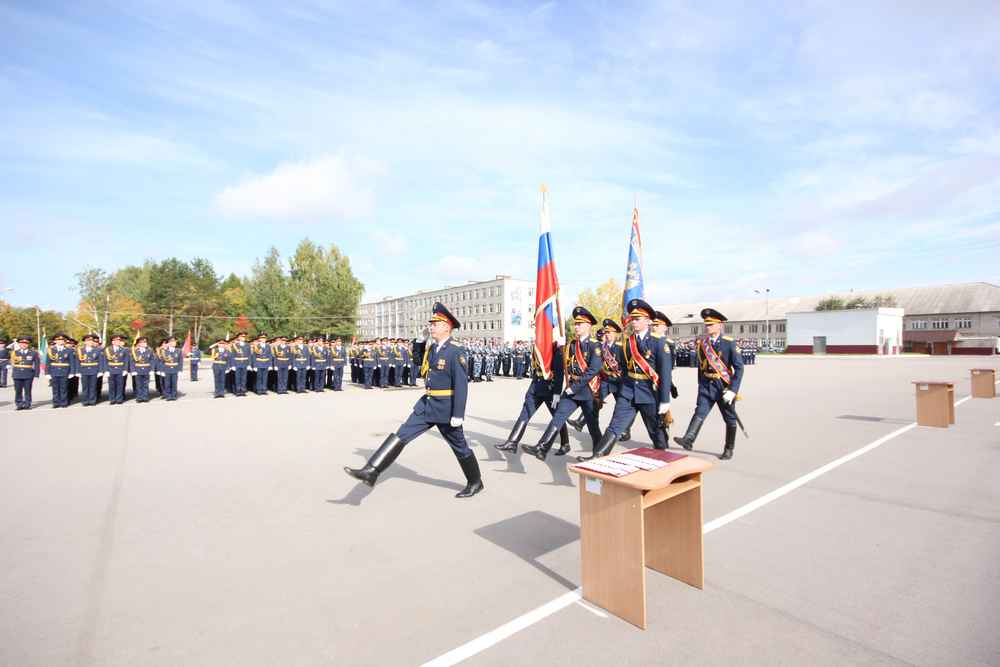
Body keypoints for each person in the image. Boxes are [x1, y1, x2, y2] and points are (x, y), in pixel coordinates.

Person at [344, 303, 483, 498]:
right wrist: (419, 341)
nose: (431, 326)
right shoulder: (433, 348)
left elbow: (462, 385)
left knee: (460, 446)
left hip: (446, 409)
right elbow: (418, 362)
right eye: (431, 323)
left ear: (447, 327)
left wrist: (458, 414)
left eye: (435, 323)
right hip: (426, 405)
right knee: (401, 435)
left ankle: (475, 482)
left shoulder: (455, 351)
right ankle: (372, 470)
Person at [579, 299, 673, 461]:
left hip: (649, 393)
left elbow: (665, 374)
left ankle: (665, 460)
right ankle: (597, 456)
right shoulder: (627, 343)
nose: (634, 322)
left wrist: (665, 400)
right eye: (632, 319)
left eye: (638, 319)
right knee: (615, 425)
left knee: (655, 431)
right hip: (628, 391)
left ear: (648, 321)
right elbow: (623, 367)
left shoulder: (659, 343)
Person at [522, 306, 603, 461]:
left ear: (588, 326)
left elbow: (594, 369)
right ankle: (542, 447)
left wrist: (574, 387)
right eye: (575, 324)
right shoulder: (572, 344)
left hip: (587, 391)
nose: (576, 326)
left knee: (592, 426)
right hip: (572, 389)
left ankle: (598, 454)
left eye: (580, 324)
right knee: (558, 417)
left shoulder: (595, 345)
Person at [674, 308, 745, 460]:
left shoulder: (729, 343)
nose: (708, 327)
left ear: (720, 325)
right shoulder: (702, 343)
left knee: (729, 418)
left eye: (711, 324)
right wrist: (701, 386)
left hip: (723, 387)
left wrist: (733, 390)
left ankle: (728, 448)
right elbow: (701, 367)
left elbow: (739, 368)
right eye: (706, 324)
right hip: (707, 386)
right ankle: (689, 439)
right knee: (699, 412)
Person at [46, 333, 75, 408]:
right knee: (55, 388)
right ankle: (56, 403)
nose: (60, 341)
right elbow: (48, 362)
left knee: (64, 388)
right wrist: (47, 373)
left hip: (65, 371)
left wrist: (72, 372)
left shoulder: (69, 350)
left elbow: (72, 362)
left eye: (62, 340)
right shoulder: (51, 350)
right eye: (58, 340)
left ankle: (64, 402)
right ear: (55, 341)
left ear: (65, 341)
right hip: (54, 371)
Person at [12, 336, 40, 410]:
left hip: (28, 374)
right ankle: (19, 404)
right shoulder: (15, 352)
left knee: (28, 390)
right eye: (22, 343)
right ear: (19, 344)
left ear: (28, 344)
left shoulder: (33, 353)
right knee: (18, 390)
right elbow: (12, 362)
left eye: (26, 343)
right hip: (17, 374)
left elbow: (37, 364)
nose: (24, 345)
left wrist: (37, 374)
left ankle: (27, 404)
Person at [77, 334, 104, 406]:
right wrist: (78, 371)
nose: (90, 342)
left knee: (93, 386)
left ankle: (92, 401)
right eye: (88, 341)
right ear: (85, 342)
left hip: (94, 370)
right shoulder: (80, 350)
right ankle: (85, 401)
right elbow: (77, 362)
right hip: (84, 370)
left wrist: (101, 371)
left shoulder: (97, 350)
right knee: (85, 387)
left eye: (91, 341)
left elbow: (101, 361)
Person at [105, 334, 130, 404]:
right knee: (111, 385)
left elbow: (126, 360)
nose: (118, 342)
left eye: (119, 340)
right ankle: (112, 399)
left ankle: (119, 399)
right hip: (111, 369)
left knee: (120, 385)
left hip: (120, 369)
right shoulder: (108, 349)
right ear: (112, 342)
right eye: (116, 340)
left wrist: (125, 369)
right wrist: (106, 370)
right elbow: (105, 361)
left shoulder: (123, 349)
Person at [129, 336, 156, 402]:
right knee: (138, 385)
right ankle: (139, 397)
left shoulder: (149, 350)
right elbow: (132, 361)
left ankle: (145, 397)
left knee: (145, 384)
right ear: (139, 343)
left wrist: (152, 370)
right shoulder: (135, 351)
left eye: (145, 342)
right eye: (143, 342)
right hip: (138, 369)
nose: (145, 343)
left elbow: (152, 360)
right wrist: (133, 370)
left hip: (146, 369)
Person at [159, 336, 183, 401]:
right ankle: (168, 396)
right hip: (167, 369)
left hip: (175, 369)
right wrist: (162, 371)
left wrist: (180, 370)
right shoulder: (164, 351)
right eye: (172, 341)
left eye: (175, 341)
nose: (174, 343)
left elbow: (180, 361)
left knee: (174, 383)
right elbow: (161, 362)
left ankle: (174, 396)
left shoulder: (178, 351)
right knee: (167, 384)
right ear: (169, 343)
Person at [231, 332, 251, 396]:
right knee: (237, 377)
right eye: (242, 337)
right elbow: (232, 355)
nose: (243, 338)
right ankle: (238, 390)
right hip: (237, 363)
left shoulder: (248, 345)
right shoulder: (235, 345)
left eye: (244, 337)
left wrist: (249, 364)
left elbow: (249, 355)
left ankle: (243, 390)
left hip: (245, 363)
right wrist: (233, 365)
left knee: (244, 378)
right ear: (239, 338)